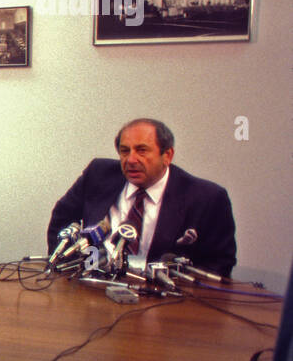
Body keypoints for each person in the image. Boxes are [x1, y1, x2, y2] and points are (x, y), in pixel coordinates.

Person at [46, 118, 237, 277]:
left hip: (163, 300)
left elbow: (220, 262)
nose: (131, 160)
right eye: (125, 151)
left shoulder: (207, 197)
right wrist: (68, 268)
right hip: (93, 286)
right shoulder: (98, 174)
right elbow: (62, 219)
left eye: (142, 150)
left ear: (167, 155)